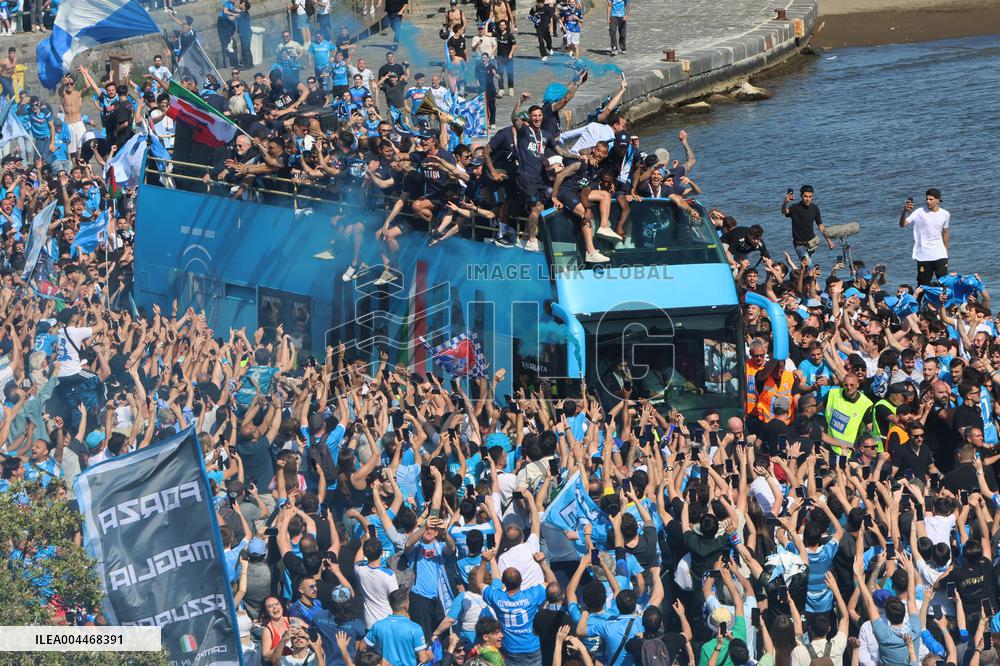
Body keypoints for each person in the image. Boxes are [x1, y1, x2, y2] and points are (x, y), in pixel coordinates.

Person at [363, 588, 432, 666]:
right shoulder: (415, 628)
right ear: (406, 605)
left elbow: (362, 647)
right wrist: (429, 655)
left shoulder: (378, 625)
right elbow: (423, 658)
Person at [900, 187, 950, 286]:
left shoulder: (945, 214)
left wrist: (946, 252)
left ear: (937, 200)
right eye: (926, 199)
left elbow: (945, 232)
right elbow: (903, 224)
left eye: (931, 199)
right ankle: (917, 301)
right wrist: (904, 211)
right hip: (923, 255)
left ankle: (946, 302)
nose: (928, 201)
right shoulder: (919, 212)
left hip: (940, 254)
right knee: (922, 285)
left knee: (944, 284)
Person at [782, 185, 835, 259]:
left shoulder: (815, 208)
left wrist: (829, 241)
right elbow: (785, 212)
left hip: (812, 243)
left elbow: (821, 226)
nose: (808, 199)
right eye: (805, 196)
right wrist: (785, 203)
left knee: (806, 267)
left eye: (810, 197)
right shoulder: (795, 208)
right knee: (808, 265)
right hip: (799, 244)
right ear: (801, 195)